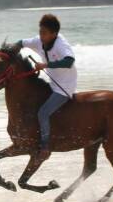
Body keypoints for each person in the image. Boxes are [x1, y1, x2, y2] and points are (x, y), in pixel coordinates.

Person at [21, 14, 76, 161]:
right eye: (40, 32)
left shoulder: (61, 44)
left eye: (44, 33)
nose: (41, 36)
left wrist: (46, 65)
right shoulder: (38, 40)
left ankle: (45, 147)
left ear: (54, 34)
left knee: (43, 113)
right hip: (51, 82)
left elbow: (69, 61)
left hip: (64, 86)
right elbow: (21, 43)